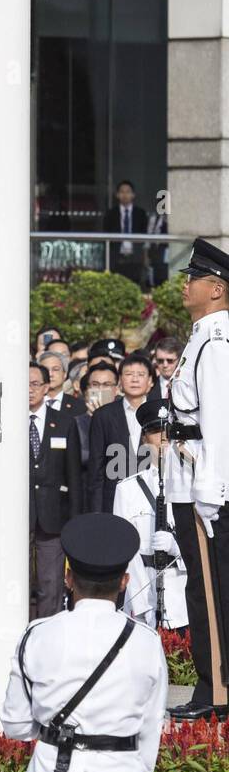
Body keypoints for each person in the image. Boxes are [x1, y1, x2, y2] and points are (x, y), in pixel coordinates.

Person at [2, 513, 167, 772]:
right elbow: (150, 732)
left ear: (67, 578)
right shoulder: (146, 642)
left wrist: (54, 733)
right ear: (124, 581)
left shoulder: (36, 636)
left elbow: (16, 725)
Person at [165, 238, 229, 721]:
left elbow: (219, 421)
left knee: (209, 590)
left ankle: (218, 690)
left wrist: (211, 491)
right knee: (199, 588)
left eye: (195, 279)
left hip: (203, 484)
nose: (185, 286)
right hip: (187, 478)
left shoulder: (218, 336)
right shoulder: (201, 334)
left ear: (217, 289)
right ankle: (212, 684)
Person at [113, 400, 188, 630]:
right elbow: (126, 551)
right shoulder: (127, 489)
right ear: (145, 438)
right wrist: (142, 606)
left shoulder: (192, 484)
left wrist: (179, 549)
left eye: (169, 430)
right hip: (144, 595)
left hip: (185, 598)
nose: (164, 437)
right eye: (156, 430)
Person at [28, 362, 82, 617]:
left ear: (46, 387)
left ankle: (45, 636)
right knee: (17, 582)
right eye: (24, 384)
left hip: (53, 518)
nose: (29, 390)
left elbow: (73, 475)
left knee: (50, 584)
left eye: (34, 384)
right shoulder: (5, 422)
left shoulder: (64, 422)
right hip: (19, 515)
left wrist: (74, 521)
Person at [86, 352, 155, 512]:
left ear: (150, 381)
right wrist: (97, 513)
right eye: (129, 374)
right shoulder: (103, 415)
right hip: (114, 500)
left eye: (141, 374)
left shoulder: (161, 413)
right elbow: (96, 469)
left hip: (151, 500)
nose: (135, 379)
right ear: (120, 382)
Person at [103, 180, 148, 284]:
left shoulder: (140, 213)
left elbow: (145, 237)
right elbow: (105, 236)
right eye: (122, 192)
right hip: (117, 257)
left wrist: (145, 257)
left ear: (133, 195)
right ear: (117, 195)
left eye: (128, 192)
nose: (125, 195)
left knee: (136, 285)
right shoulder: (110, 214)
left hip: (135, 257)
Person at [37, 350, 86, 417]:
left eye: (55, 369)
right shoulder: (28, 404)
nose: (50, 374)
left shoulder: (80, 406)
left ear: (65, 374)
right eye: (45, 370)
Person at [149, 336, 183, 402]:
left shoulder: (188, 386)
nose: (165, 365)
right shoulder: (148, 387)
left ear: (179, 360)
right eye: (160, 361)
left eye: (170, 360)